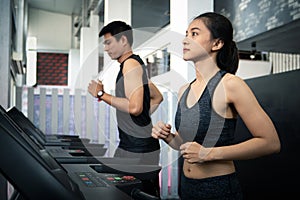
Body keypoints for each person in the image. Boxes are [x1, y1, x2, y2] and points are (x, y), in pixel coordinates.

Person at [151, 12, 281, 200]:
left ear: (217, 43)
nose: (186, 40)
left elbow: (270, 143)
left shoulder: (231, 84)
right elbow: (186, 145)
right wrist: (168, 137)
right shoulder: (184, 90)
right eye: (186, 34)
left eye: (194, 34)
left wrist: (209, 153)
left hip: (218, 189)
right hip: (187, 188)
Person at [88, 20, 163, 197]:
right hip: (133, 144)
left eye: (108, 42)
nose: (105, 49)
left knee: (134, 194)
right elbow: (156, 97)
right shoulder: (134, 65)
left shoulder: (130, 64)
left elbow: (135, 107)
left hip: (138, 148)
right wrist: (139, 120)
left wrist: (101, 95)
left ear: (123, 40)